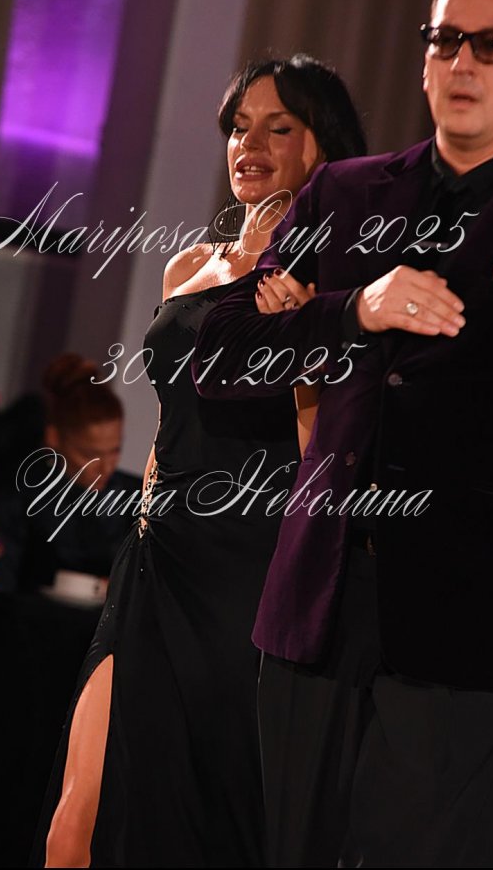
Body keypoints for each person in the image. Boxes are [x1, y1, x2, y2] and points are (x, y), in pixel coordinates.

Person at [194, 0, 493, 868]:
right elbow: (219, 350)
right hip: (318, 606)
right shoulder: (347, 192)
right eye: (445, 40)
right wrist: (353, 308)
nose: (463, 62)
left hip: (473, 621)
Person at [34, 56, 367, 868]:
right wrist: (143, 519)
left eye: (278, 127)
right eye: (238, 127)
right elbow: (167, 420)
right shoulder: (190, 265)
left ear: (322, 145)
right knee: (74, 824)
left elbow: (325, 447)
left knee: (199, 825)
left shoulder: (332, 279)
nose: (249, 145)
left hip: (246, 570)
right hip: (155, 555)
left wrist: (308, 338)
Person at [0, 352, 141, 598]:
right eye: (89, 454)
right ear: (54, 437)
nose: (105, 467)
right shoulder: (21, 500)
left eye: (114, 451)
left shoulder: (137, 499)